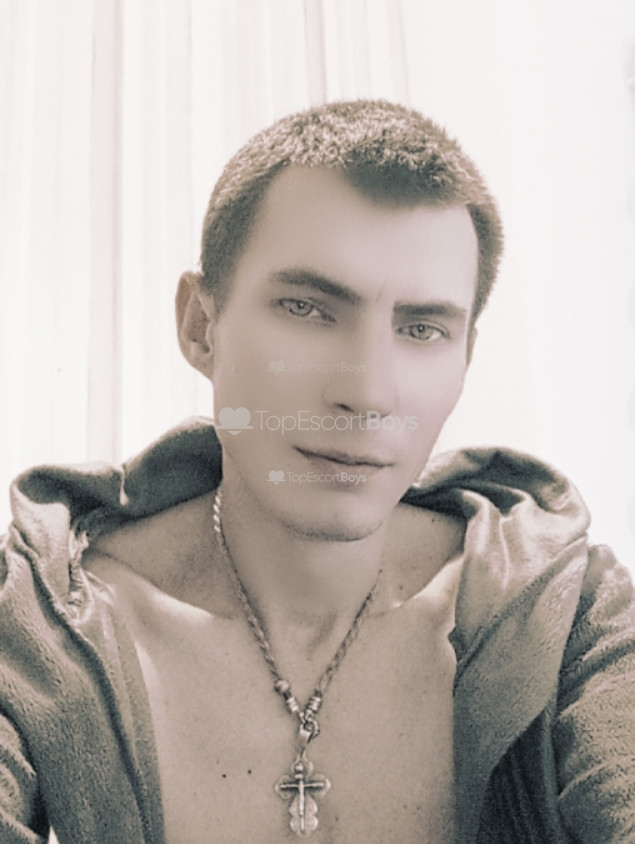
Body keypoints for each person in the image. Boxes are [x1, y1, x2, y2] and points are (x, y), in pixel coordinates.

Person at [1, 100, 634, 844]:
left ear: (465, 357)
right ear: (201, 326)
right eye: (306, 308)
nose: (367, 392)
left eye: (421, 328)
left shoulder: (570, 616)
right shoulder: (33, 622)